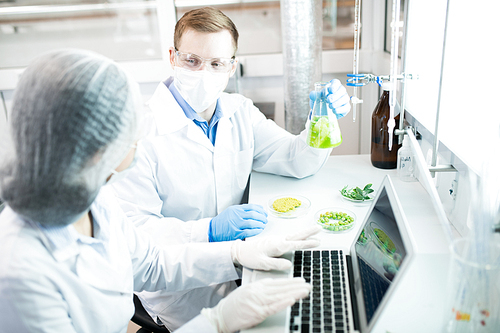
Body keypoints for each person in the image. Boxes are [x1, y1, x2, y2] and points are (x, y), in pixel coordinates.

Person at [0, 49, 322, 333]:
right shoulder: (20, 276)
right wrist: (217, 323)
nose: (138, 141)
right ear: (93, 151)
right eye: (129, 133)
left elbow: (151, 264)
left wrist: (235, 255)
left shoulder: (90, 199)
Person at [109, 6, 351, 330]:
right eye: (191, 60)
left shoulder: (241, 113)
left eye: (216, 64)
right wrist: (208, 231)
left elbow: (295, 159)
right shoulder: (142, 132)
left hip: (239, 266)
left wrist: (324, 119)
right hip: (179, 294)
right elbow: (137, 235)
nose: (202, 73)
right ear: (172, 56)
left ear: (231, 67)